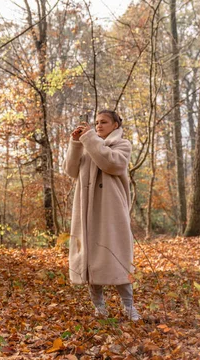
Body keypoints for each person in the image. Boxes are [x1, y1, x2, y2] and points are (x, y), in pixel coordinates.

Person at [63, 109, 140, 321]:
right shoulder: (88, 146)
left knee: (118, 258)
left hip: (111, 213)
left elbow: (112, 163)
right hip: (87, 211)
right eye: (96, 122)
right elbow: (70, 170)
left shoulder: (122, 145)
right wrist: (76, 143)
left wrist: (89, 139)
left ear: (116, 125)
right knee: (90, 259)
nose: (98, 126)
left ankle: (129, 307)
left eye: (104, 122)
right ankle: (99, 307)